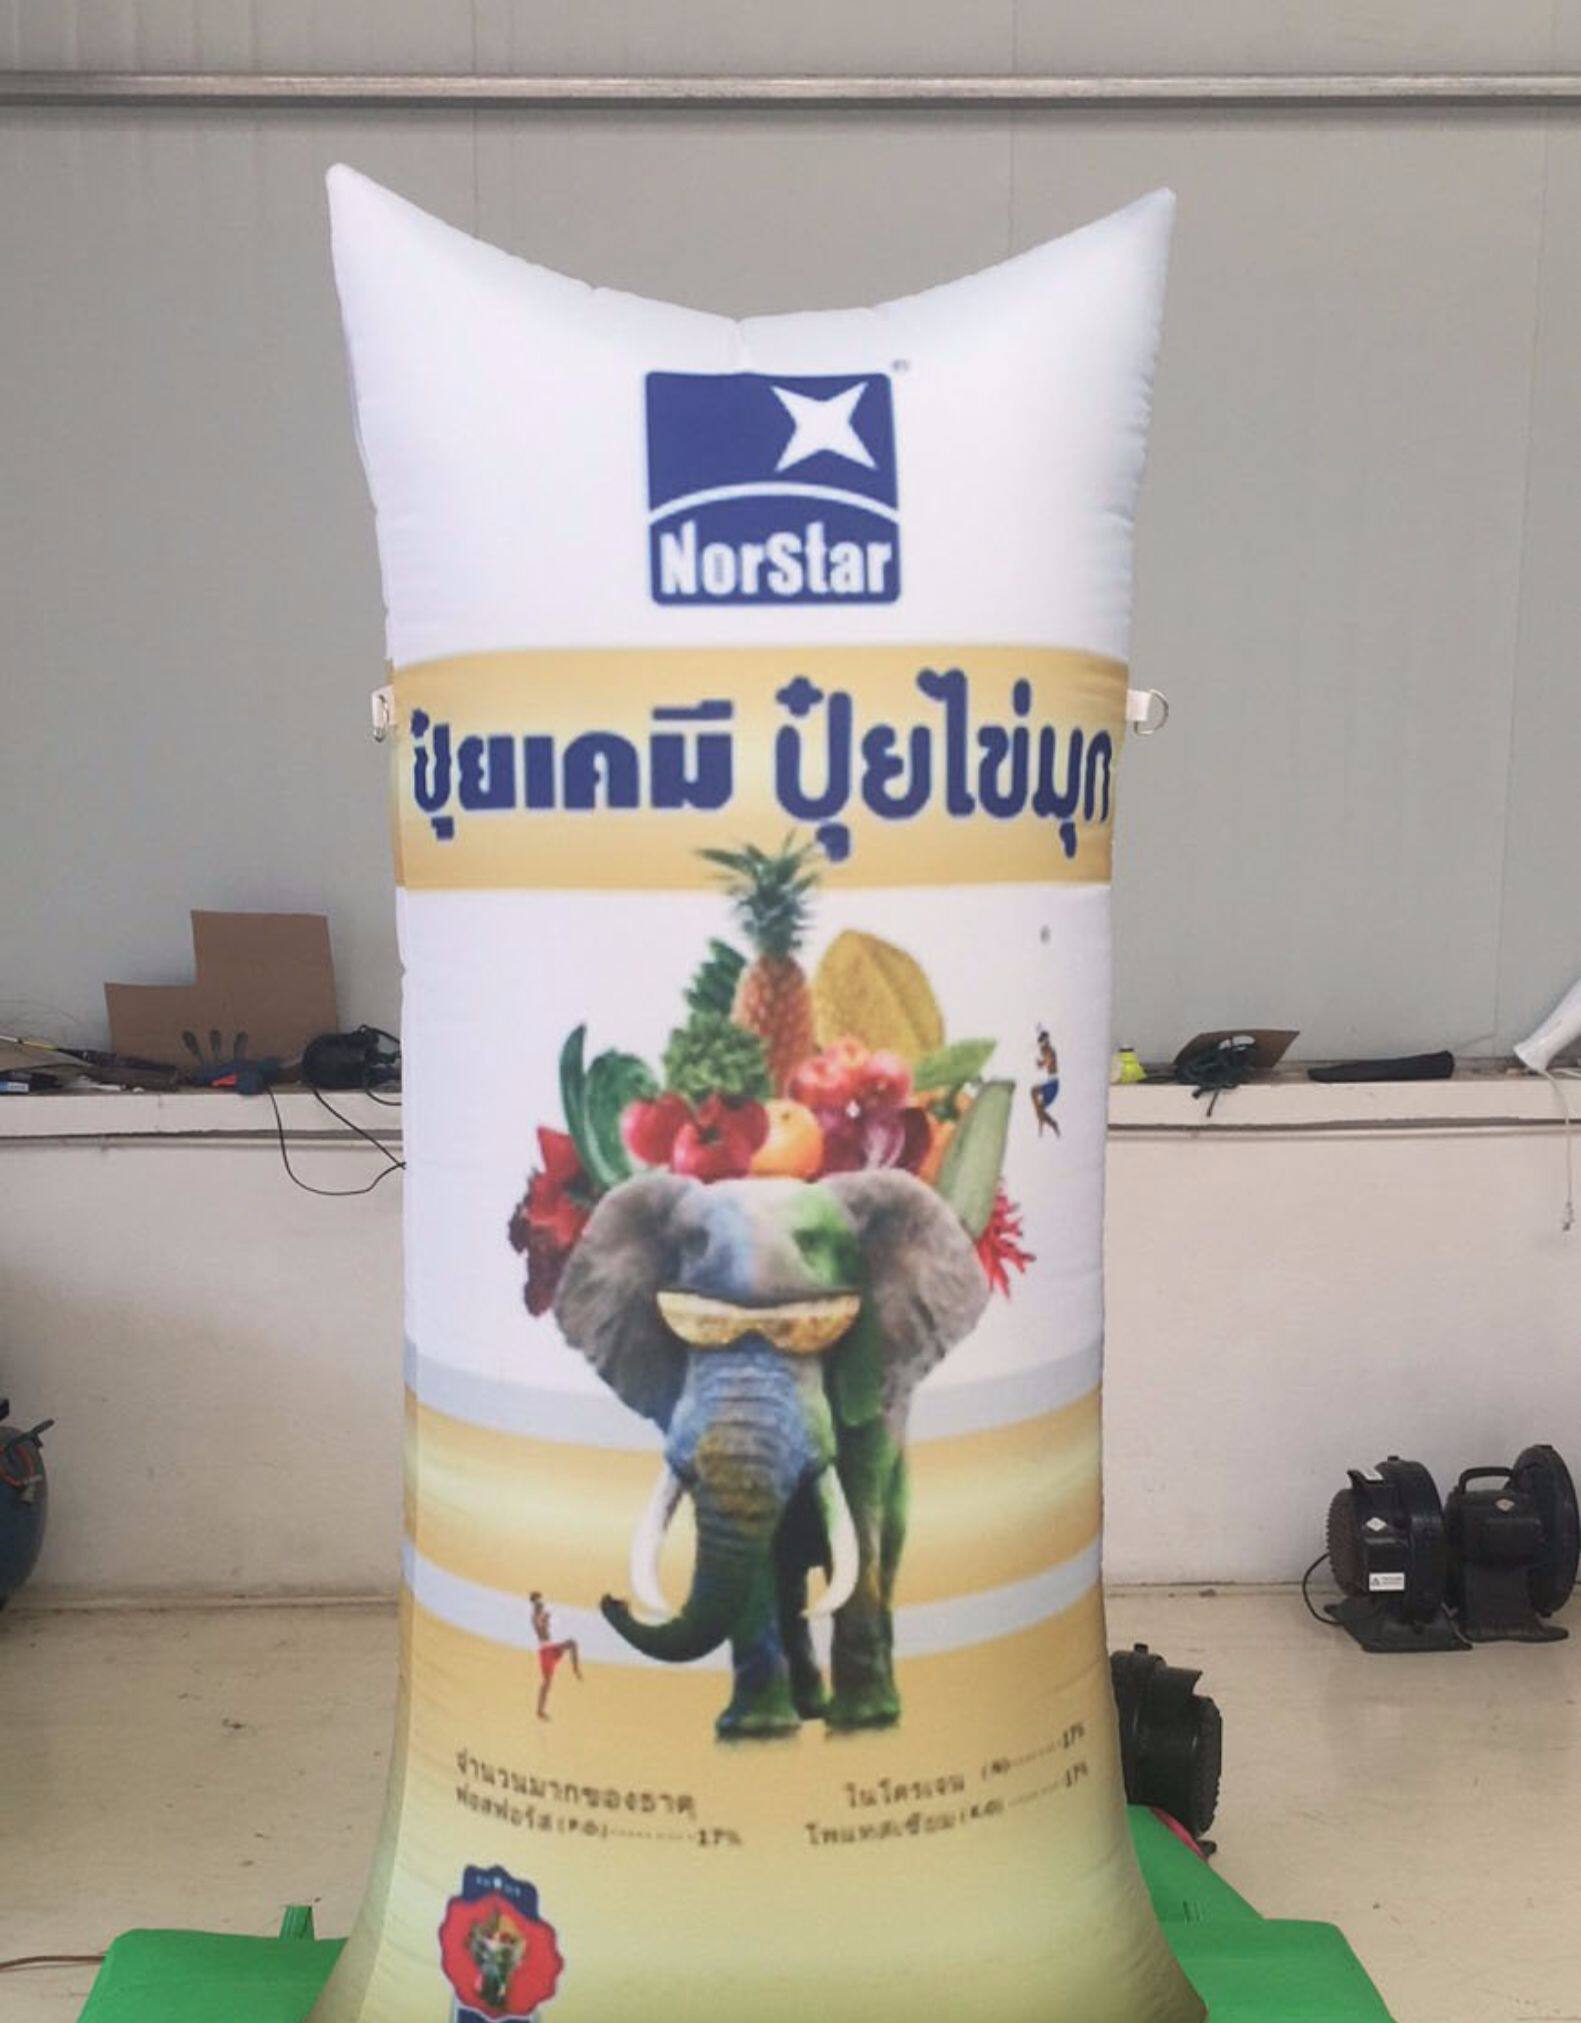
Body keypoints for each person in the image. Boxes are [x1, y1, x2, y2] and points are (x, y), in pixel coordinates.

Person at [530, 1591, 582, 1720]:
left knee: (572, 1643)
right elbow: (539, 1626)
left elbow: (545, 1623)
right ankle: (540, 1710)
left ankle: (575, 1669)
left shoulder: (541, 1614)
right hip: (546, 1651)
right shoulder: (535, 1616)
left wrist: (547, 1618)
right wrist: (545, 1619)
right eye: (538, 1601)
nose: (541, 1603)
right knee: (547, 1683)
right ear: (535, 1603)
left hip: (551, 1648)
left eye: (541, 1601)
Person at [1030, 1026, 1061, 1136]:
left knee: (1034, 1094)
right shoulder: (1047, 1050)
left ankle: (1046, 1121)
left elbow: (1046, 1062)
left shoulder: (1050, 1051)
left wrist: (1040, 1063)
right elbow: (1044, 1062)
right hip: (1051, 1083)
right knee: (1038, 1105)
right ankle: (1049, 1122)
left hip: (1053, 1085)